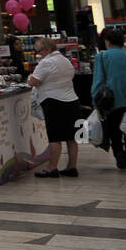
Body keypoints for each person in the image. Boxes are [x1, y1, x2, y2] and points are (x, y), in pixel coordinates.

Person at [28, 37, 81, 177]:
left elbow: (33, 81)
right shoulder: (65, 60)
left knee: (55, 137)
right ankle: (72, 167)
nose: (37, 54)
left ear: (46, 49)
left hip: (54, 102)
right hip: (72, 100)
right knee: (71, 137)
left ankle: (51, 168)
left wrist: (29, 78)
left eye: (38, 51)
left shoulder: (46, 62)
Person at [92, 27, 126, 170]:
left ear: (107, 42)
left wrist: (95, 100)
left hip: (111, 100)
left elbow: (98, 80)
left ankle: (119, 154)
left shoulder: (102, 57)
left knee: (114, 129)